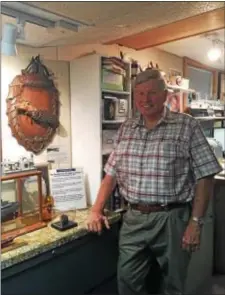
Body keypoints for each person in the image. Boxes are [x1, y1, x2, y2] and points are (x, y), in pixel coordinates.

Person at [86, 68, 222, 295]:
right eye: (139, 94)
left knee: (172, 285)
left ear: (165, 94)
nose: (144, 100)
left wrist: (195, 222)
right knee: (128, 282)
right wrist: (96, 209)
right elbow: (111, 173)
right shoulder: (127, 128)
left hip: (172, 219)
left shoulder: (186, 126)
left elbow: (205, 175)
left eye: (151, 93)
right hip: (134, 219)